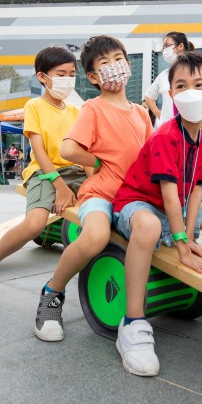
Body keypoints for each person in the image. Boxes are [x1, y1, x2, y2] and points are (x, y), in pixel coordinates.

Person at [112, 52, 202, 376]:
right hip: (137, 204)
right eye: (181, 85)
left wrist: (191, 236)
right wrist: (181, 244)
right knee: (150, 227)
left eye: (199, 84)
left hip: (173, 207)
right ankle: (133, 322)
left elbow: (196, 189)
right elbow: (167, 193)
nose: (190, 91)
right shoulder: (165, 135)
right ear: (172, 94)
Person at [31, 35, 152, 341]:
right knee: (95, 236)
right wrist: (97, 162)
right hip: (101, 194)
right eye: (104, 63)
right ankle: (52, 292)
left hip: (133, 198)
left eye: (118, 59)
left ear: (128, 64)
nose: (114, 66)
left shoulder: (140, 112)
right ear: (94, 77)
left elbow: (151, 153)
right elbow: (69, 148)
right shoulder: (93, 108)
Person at [0, 46, 84, 306]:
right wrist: (59, 186)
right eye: (61, 74)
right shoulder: (34, 105)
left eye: (72, 74)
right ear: (42, 77)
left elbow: (83, 150)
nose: (68, 79)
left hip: (75, 172)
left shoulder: (75, 111)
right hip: (44, 173)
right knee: (35, 223)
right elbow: (40, 152)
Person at [144, 32, 194, 129]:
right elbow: (148, 96)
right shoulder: (164, 75)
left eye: (167, 45)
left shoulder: (194, 71)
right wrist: (159, 114)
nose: (164, 51)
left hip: (191, 128)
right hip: (169, 129)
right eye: (163, 47)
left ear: (180, 46)